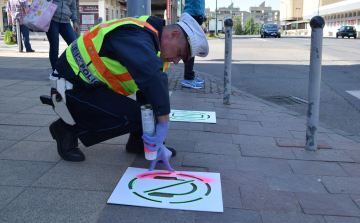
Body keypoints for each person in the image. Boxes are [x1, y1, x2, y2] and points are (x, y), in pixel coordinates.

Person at [46, 13, 209, 171]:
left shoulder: (153, 40)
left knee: (149, 109)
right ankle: (65, 128)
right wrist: (164, 124)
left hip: (90, 88)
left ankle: (138, 142)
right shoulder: (134, 34)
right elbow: (151, 75)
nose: (176, 61)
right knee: (137, 116)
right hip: (69, 89)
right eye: (180, 54)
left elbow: (150, 91)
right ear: (173, 35)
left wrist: (155, 137)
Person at [46, 0, 79, 71]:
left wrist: (75, 22)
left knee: (74, 45)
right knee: (54, 46)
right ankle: (55, 70)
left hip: (66, 21)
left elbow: (73, 8)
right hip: (52, 20)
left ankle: (74, 69)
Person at [181, 0, 207, 89]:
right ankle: (188, 78)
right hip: (193, 16)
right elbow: (197, 2)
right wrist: (200, 15)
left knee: (192, 47)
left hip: (192, 15)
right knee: (191, 48)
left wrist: (202, 15)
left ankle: (190, 75)